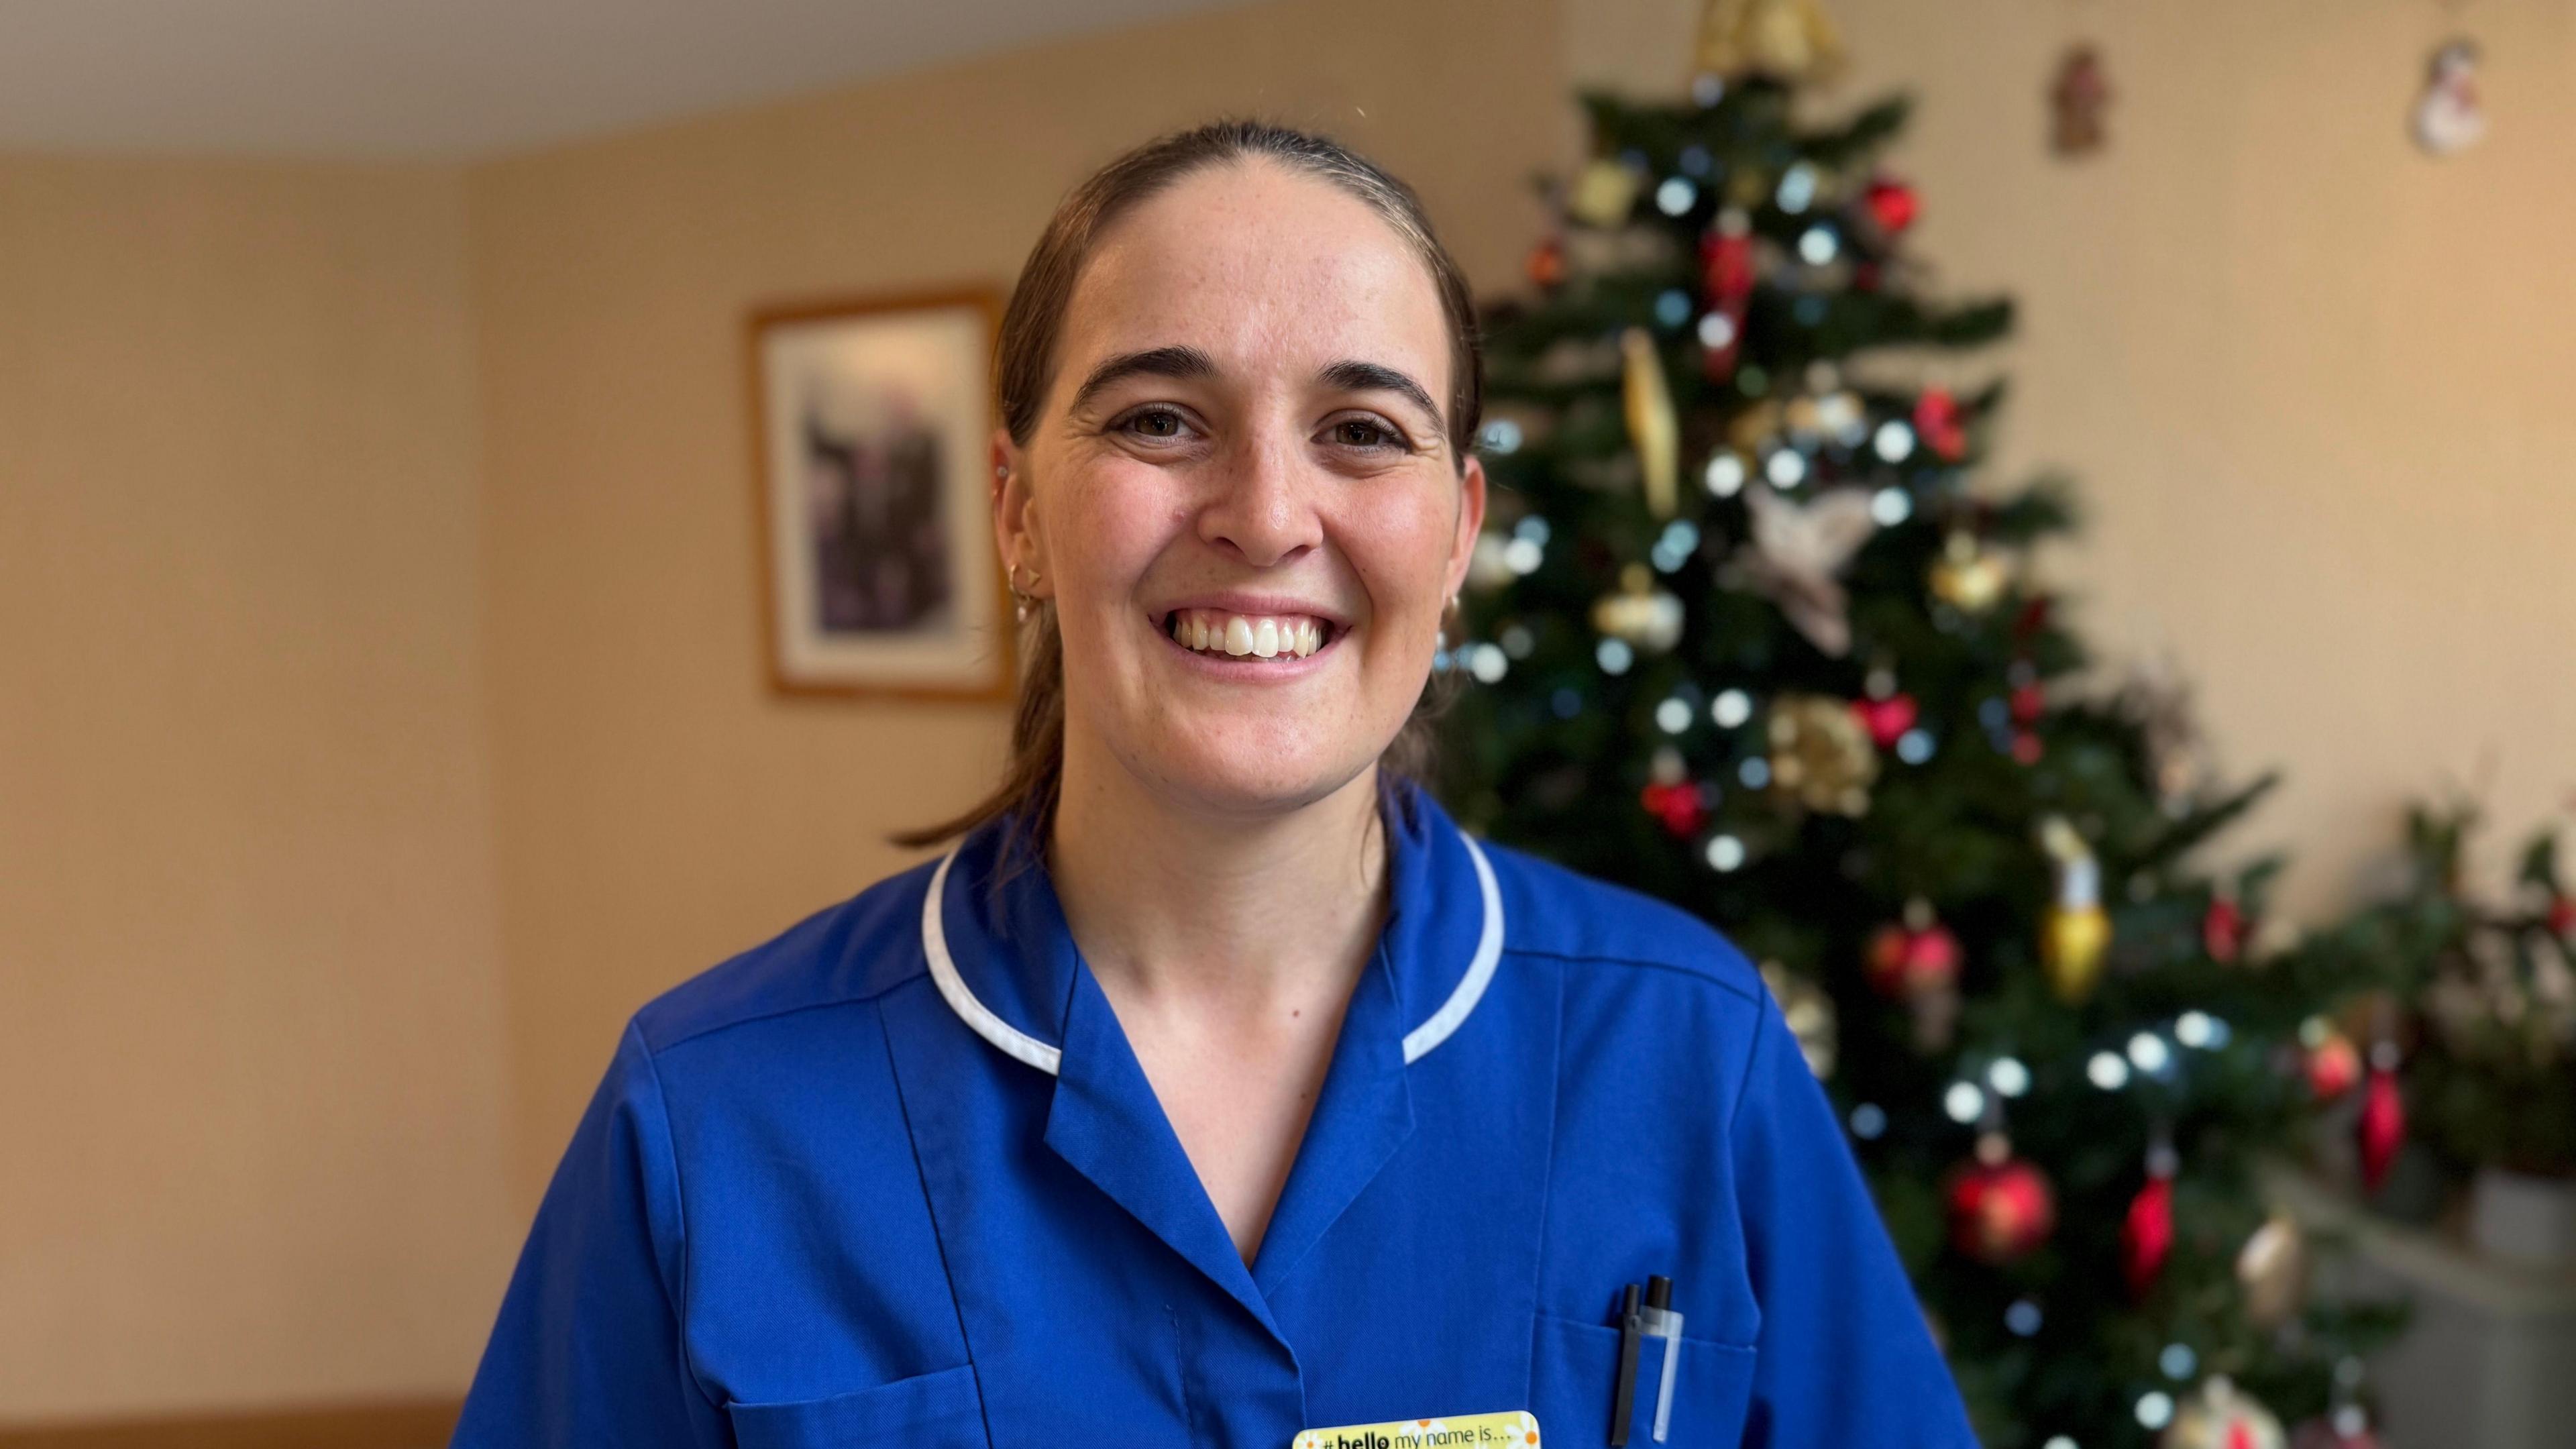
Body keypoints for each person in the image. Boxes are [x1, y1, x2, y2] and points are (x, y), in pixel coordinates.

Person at [451, 119, 1976, 1449]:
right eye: (1159, 420)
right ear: (1017, 514)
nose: (1264, 511)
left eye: (1361, 431)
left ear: (1454, 537)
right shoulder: (715, 1118)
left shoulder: (1685, 1057)